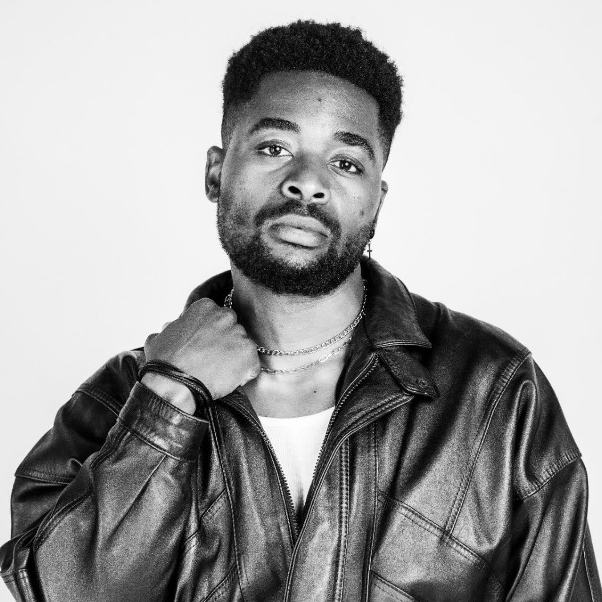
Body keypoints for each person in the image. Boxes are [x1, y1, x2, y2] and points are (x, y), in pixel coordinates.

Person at [0, 20, 600, 602]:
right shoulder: (116, 403)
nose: (307, 183)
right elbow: (63, 590)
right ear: (216, 172)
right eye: (275, 148)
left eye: (346, 162)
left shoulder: (494, 392)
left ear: (377, 200)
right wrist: (169, 398)